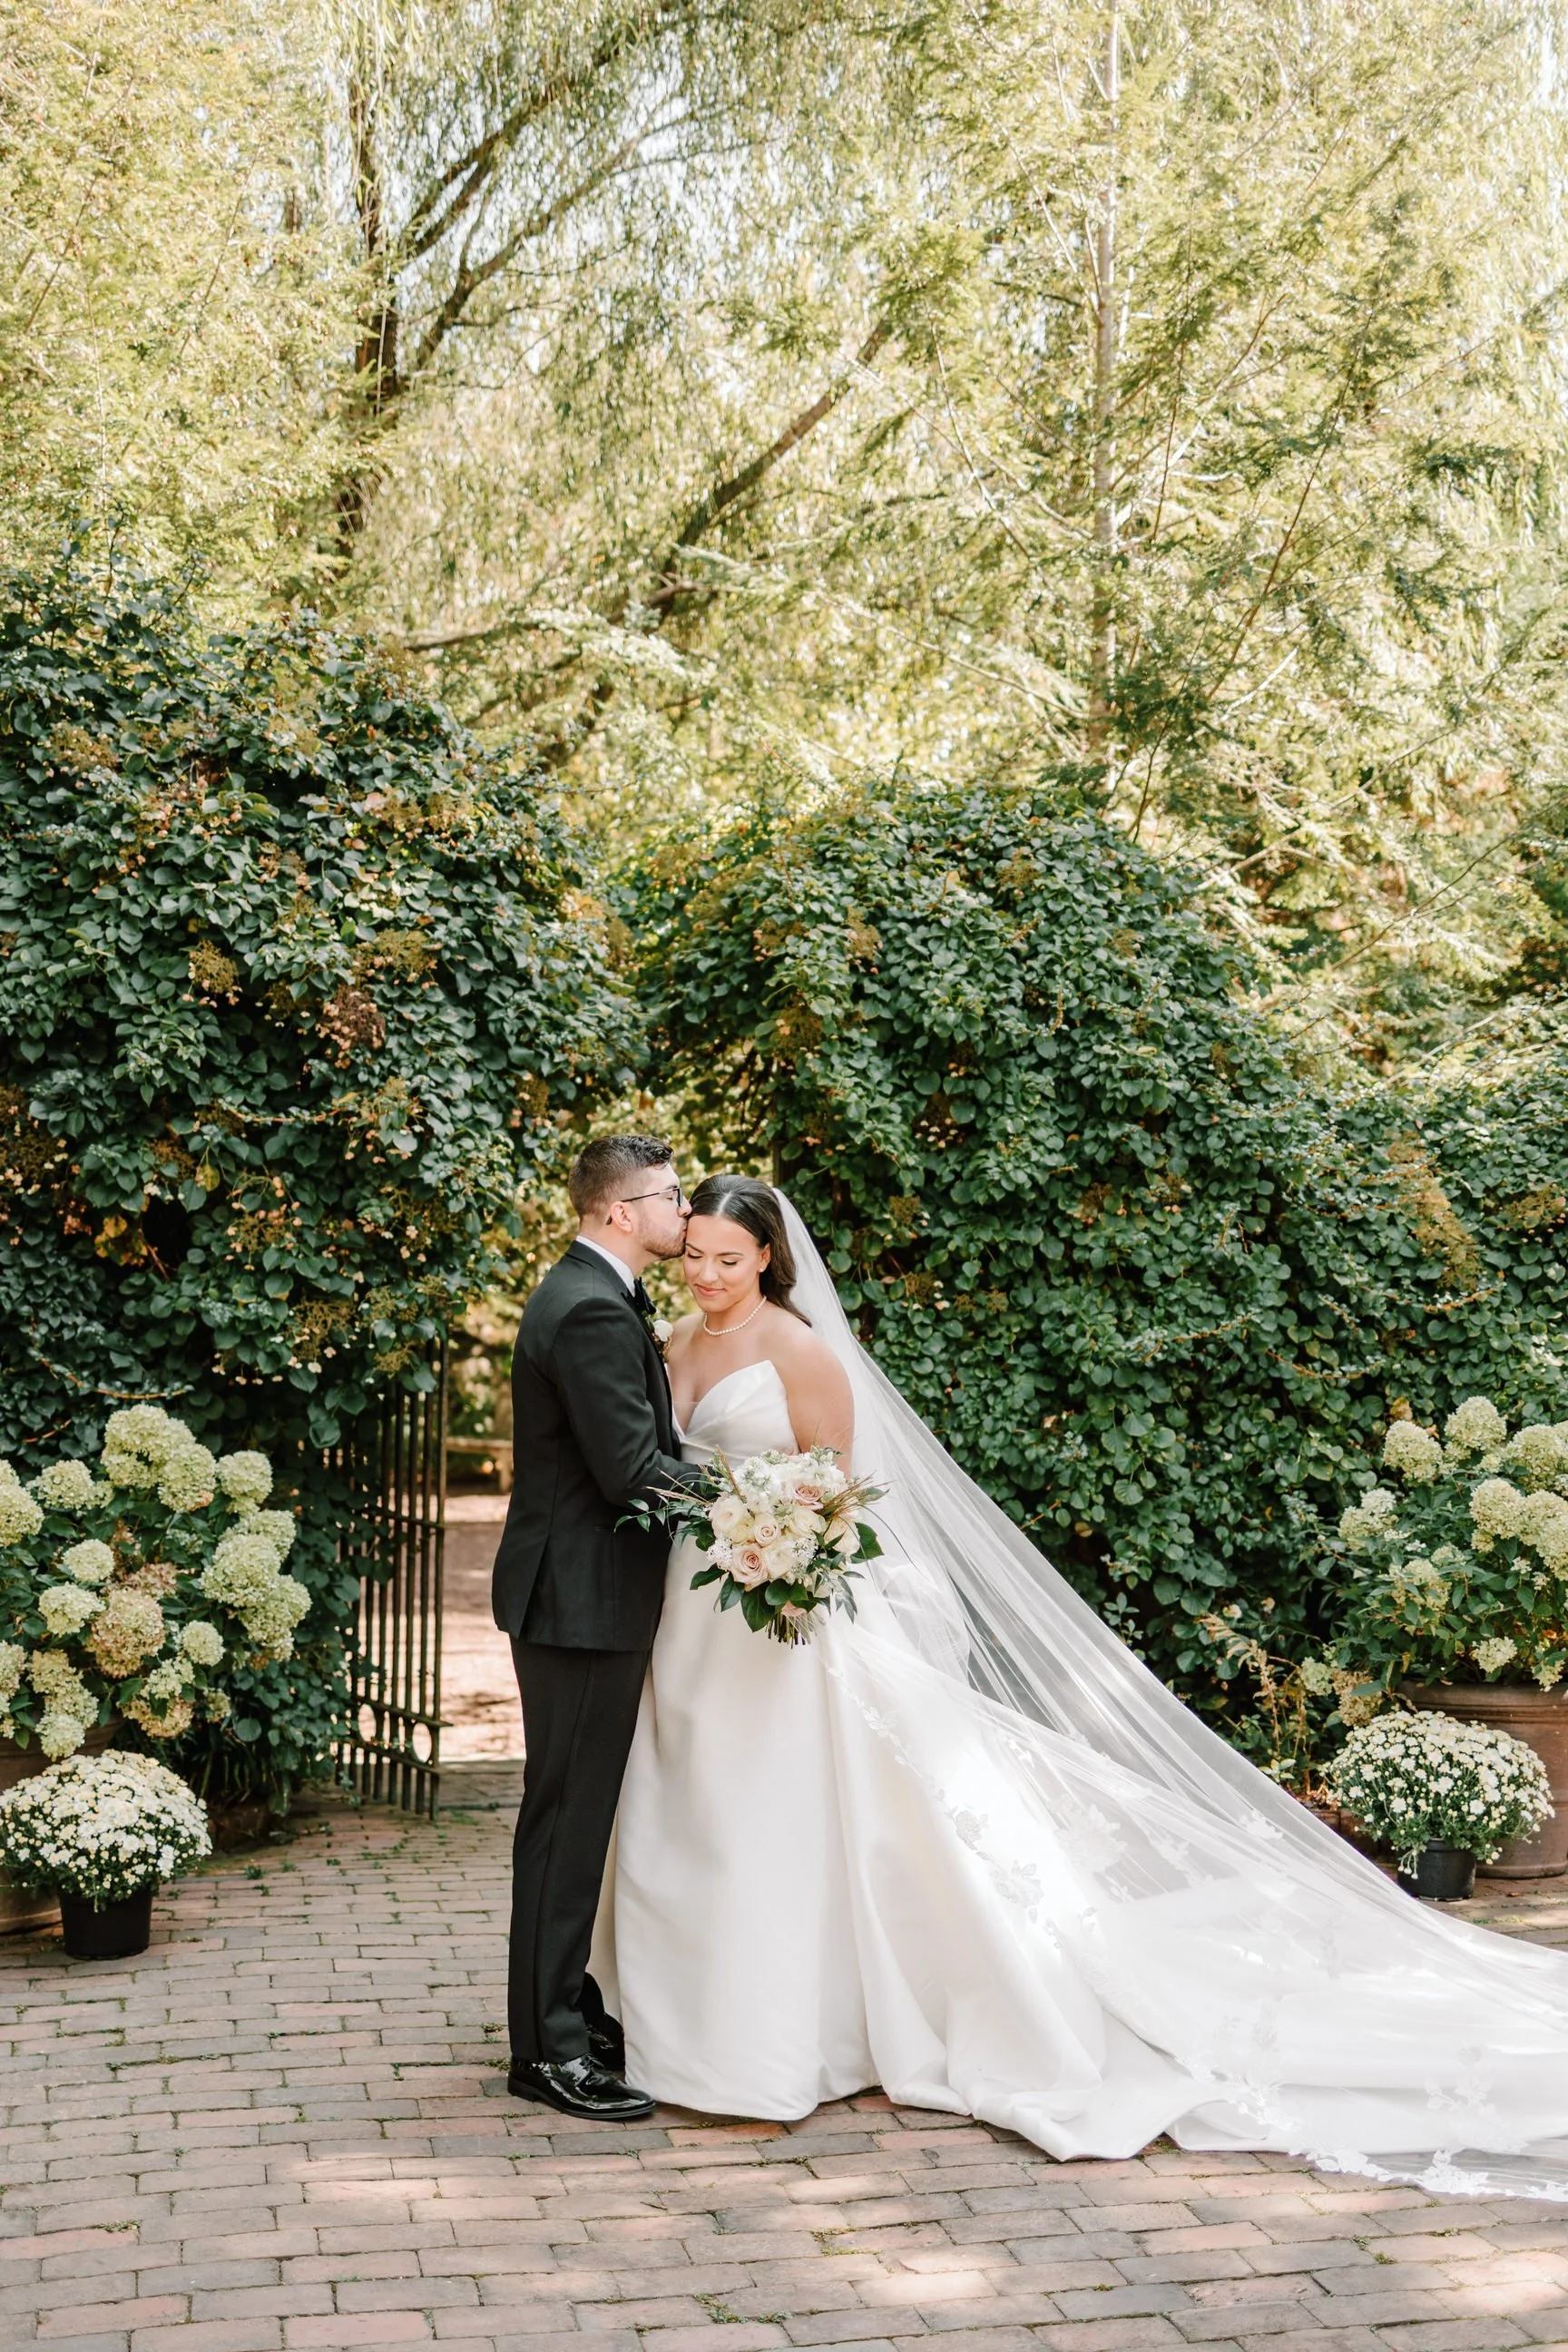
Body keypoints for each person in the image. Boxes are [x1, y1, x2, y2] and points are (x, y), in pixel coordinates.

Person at [593, 1174, 1568, 2198]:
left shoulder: (801, 1352)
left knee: (775, 1823)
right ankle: (680, 2027)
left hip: (782, 1628)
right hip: (691, 1619)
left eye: (728, 1259)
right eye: (694, 1254)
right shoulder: (674, 1344)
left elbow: (833, 1498)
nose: (706, 1275)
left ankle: (782, 2039)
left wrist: (783, 1557)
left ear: (767, 1263)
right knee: (692, 1812)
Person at [491, 1133, 696, 2122]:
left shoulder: (591, 1294)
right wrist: (758, 1498)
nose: (685, 1213)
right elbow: (635, 1471)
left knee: (570, 1820)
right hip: (581, 1605)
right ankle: (547, 2052)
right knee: (565, 1824)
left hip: (584, 1597)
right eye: (671, 1196)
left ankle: (562, 2009)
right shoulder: (587, 1312)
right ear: (623, 1212)